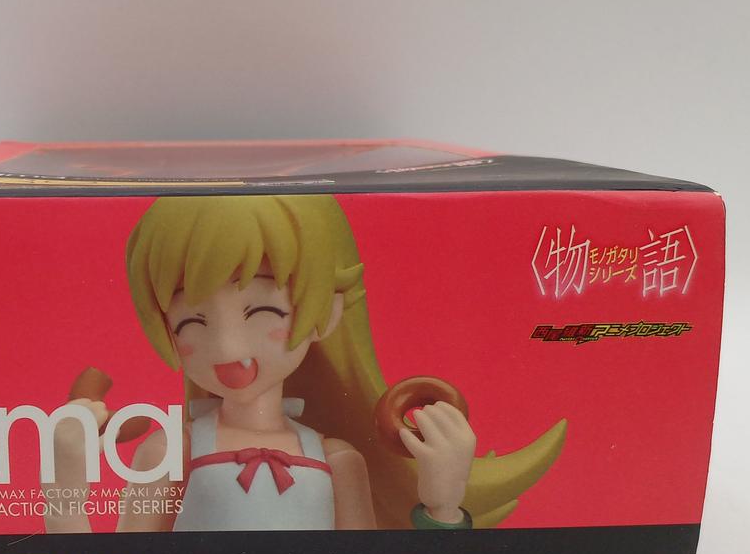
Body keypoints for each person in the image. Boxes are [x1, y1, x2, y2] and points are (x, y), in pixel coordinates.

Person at [44, 193, 565, 532]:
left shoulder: (337, 461)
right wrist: (63, 484)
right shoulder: (169, 451)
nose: (228, 349)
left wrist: (443, 504)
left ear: (326, 313)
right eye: (192, 323)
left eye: (263, 312)